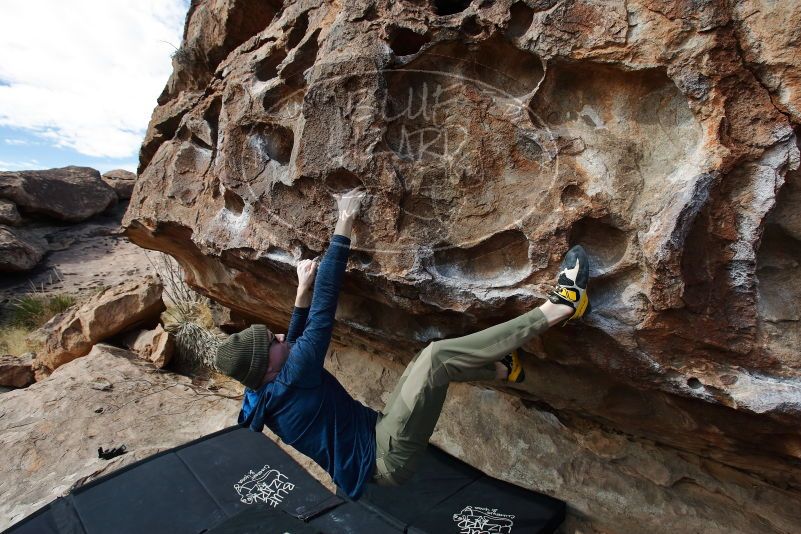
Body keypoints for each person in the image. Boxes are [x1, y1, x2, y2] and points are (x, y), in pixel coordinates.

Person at [214, 187, 590, 499]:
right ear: (268, 367)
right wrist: (345, 218)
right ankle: (560, 307)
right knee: (434, 358)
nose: (280, 335)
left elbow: (292, 339)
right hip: (384, 456)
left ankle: (504, 368)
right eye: (272, 340)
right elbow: (325, 303)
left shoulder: (261, 390)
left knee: (425, 372)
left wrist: (299, 290)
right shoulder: (293, 376)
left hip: (375, 445)